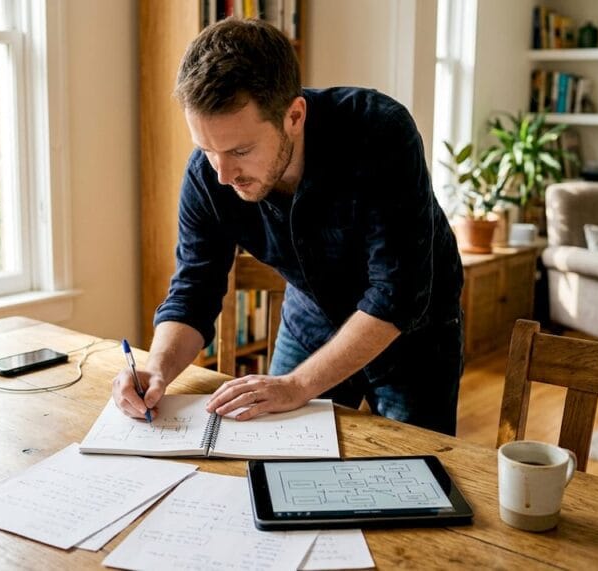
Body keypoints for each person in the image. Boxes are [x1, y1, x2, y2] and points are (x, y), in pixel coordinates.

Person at [113, 17, 464, 435]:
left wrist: (298, 385)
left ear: (294, 115)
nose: (223, 174)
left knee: (414, 477)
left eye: (241, 150)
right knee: (281, 460)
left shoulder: (381, 132)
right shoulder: (209, 175)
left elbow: (397, 294)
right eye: (207, 149)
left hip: (415, 335)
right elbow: (194, 289)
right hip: (311, 317)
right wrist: (157, 367)